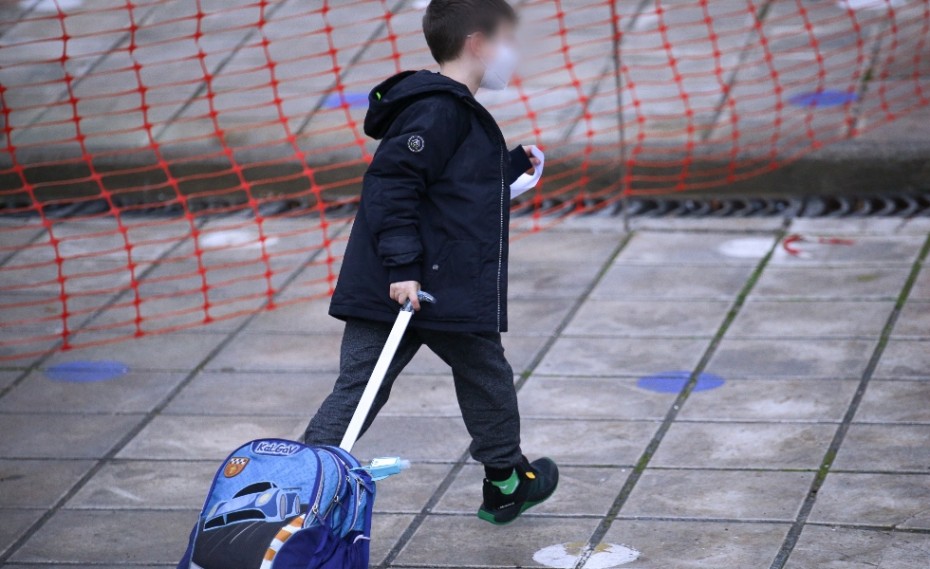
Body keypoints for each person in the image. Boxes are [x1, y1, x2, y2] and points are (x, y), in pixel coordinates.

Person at [302, 0, 558, 525]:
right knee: (365, 386)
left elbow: (446, 190)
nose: (514, 54)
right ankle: (303, 485)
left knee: (482, 376)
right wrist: (402, 268)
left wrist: (505, 174)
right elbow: (392, 186)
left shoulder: (449, 109)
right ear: (479, 43)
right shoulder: (437, 109)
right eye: (508, 40)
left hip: (436, 281)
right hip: (407, 285)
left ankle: (506, 481)